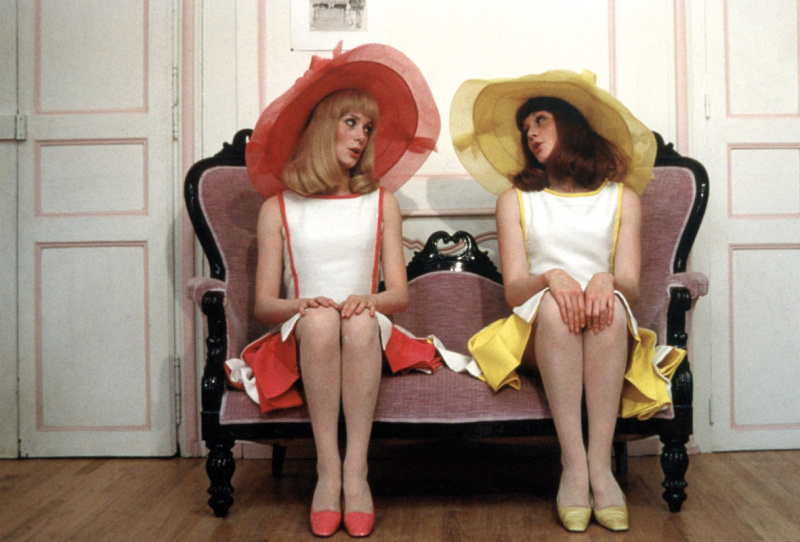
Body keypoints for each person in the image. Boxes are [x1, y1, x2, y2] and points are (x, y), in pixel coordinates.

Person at [450, 70, 685, 533]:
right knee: (557, 311)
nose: (531, 134)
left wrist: (604, 279)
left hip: (603, 325)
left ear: (572, 124)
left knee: (609, 308)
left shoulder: (623, 199)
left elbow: (631, 286)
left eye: (540, 120)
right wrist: (550, 277)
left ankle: (600, 466)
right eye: (525, 129)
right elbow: (514, 290)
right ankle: (574, 465)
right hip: (537, 331)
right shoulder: (515, 200)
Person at [229, 43, 441, 538]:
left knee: (358, 320)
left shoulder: (381, 202)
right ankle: (328, 471)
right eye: (351, 122)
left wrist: (369, 300)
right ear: (324, 126)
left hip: (366, 329)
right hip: (304, 332)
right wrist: (303, 305)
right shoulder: (278, 208)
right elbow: (264, 305)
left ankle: (356, 471)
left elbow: (399, 296)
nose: (362, 136)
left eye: (367, 127)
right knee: (323, 320)